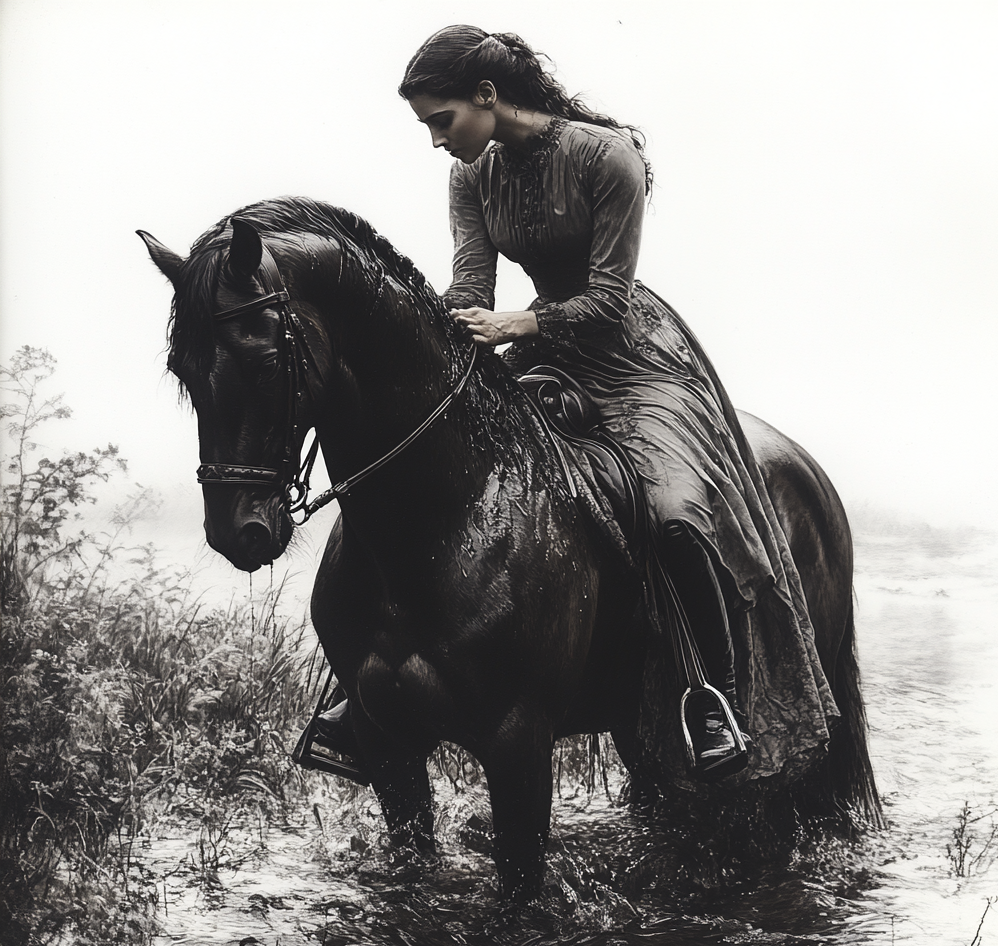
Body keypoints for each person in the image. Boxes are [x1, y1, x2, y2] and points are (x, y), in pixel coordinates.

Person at [317, 25, 838, 784]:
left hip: (637, 360)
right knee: (429, 474)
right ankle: (364, 679)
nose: (434, 140)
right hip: (538, 347)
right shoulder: (472, 175)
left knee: (675, 516)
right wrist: (435, 330)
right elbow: (471, 286)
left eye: (441, 120)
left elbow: (607, 299)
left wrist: (518, 324)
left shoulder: (607, 157)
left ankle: (708, 697)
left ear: (487, 97)